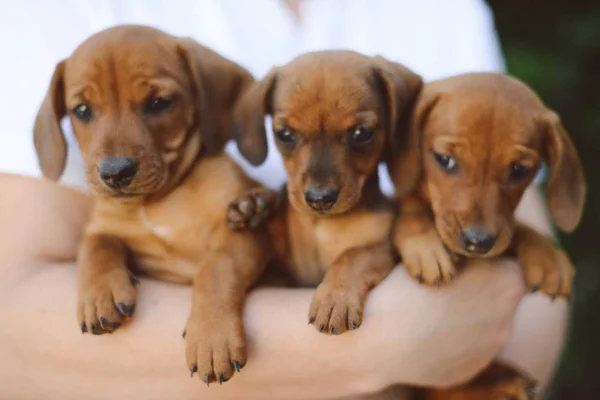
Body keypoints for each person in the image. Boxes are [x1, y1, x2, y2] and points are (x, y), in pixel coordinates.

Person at [0, 1, 569, 399]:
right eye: (287, 137)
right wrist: (380, 349)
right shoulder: (50, 11)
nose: (115, 156)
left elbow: (522, 285)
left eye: (157, 104)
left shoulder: (443, 12)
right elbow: (14, 324)